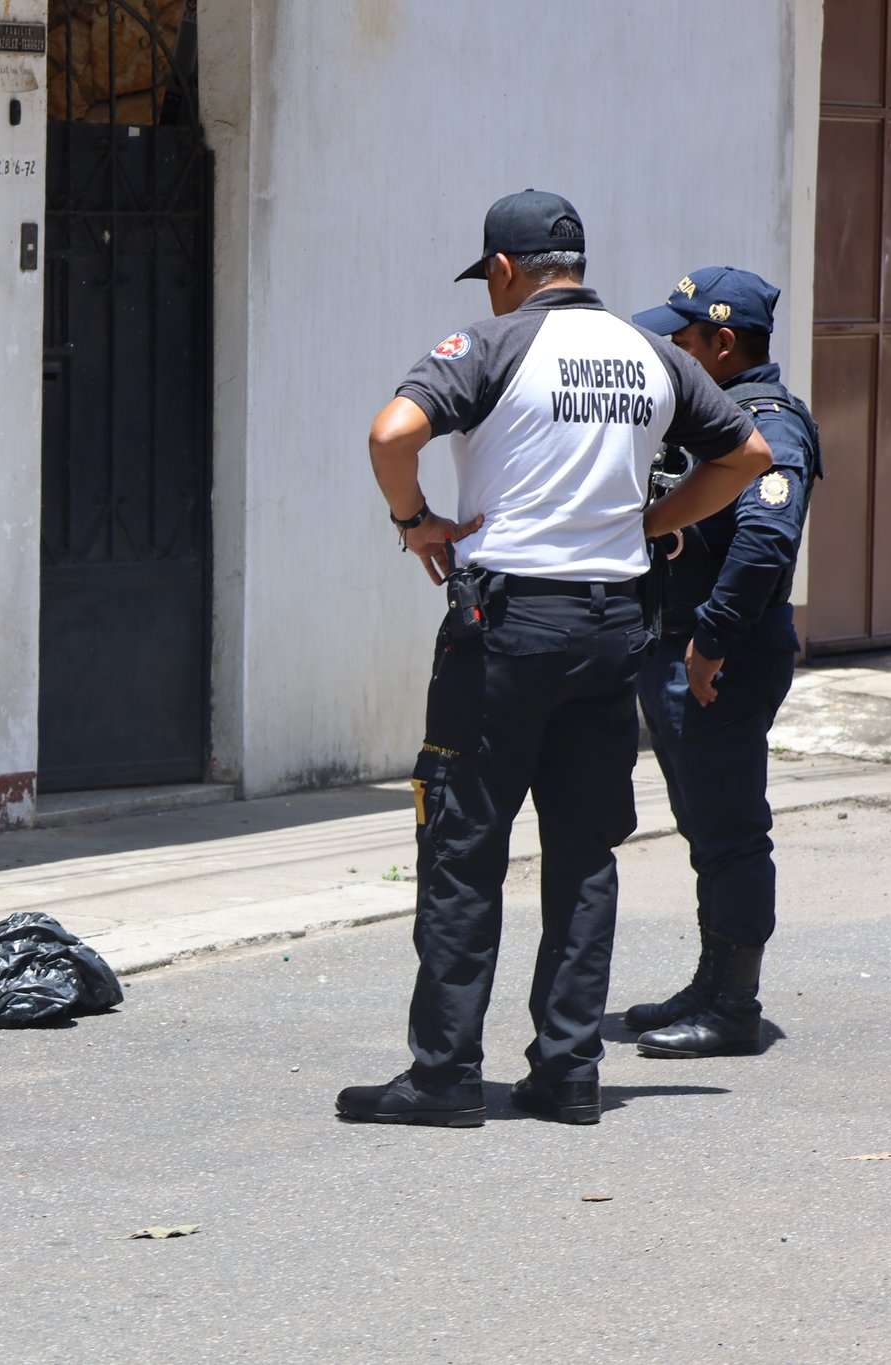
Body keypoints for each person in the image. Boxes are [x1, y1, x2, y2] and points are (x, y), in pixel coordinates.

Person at [337, 189, 773, 1128]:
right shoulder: (650, 353)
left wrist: (416, 523)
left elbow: (391, 433)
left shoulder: (491, 347)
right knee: (583, 854)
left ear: (503, 270)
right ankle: (568, 1069)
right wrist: (649, 521)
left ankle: (445, 1075)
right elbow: (746, 454)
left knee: (463, 849)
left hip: (505, 627)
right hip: (614, 626)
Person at [623, 268, 822, 1058]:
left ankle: (734, 1004)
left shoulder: (770, 423)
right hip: (682, 648)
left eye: (685, 338)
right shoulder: (710, 419)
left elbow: (766, 542)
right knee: (705, 822)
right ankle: (712, 979)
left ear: (724, 343)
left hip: (721, 659)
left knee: (732, 826)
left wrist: (709, 644)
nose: (673, 349)